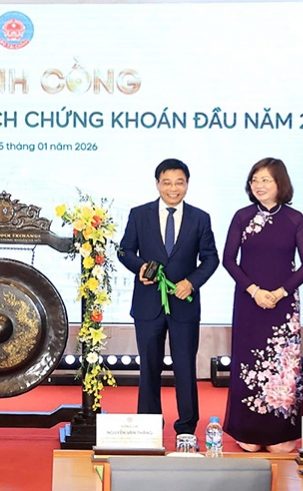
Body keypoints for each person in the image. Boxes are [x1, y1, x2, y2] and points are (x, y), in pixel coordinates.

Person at [118, 158, 219, 437]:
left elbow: (211, 259)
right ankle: (148, 427)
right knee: (148, 367)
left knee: (185, 368)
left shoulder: (200, 218)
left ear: (187, 184)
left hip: (184, 305)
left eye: (179, 182)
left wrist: (192, 282)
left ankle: (186, 428)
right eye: (167, 182)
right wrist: (139, 267)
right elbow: (124, 250)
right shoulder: (139, 215)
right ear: (157, 184)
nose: (173, 188)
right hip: (148, 304)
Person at [221, 158, 303, 453]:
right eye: (255, 180)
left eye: (266, 180)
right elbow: (228, 259)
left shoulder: (295, 218)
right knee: (248, 364)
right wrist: (254, 290)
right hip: (249, 302)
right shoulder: (242, 216)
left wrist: (280, 292)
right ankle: (246, 430)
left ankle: (281, 431)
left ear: (280, 184)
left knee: (282, 368)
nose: (259, 185)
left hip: (283, 305)